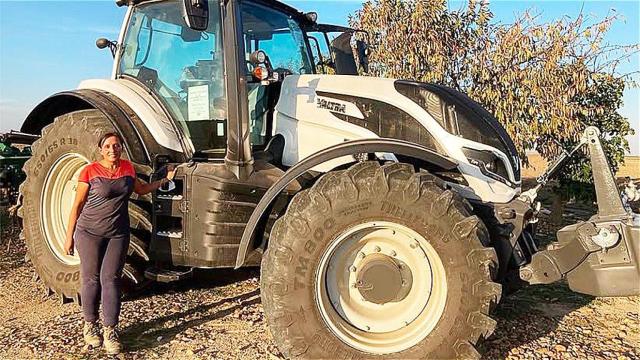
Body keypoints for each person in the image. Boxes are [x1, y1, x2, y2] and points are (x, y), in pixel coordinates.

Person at [64, 132, 175, 354]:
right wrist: (69, 237)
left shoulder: (127, 168)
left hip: (118, 233)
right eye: (107, 146)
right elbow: (77, 205)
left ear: (121, 148)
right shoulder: (90, 171)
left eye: (116, 145)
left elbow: (141, 190)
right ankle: (90, 325)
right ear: (100, 149)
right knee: (91, 279)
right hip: (89, 233)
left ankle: (110, 330)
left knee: (112, 279)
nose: (112, 149)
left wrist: (164, 181)